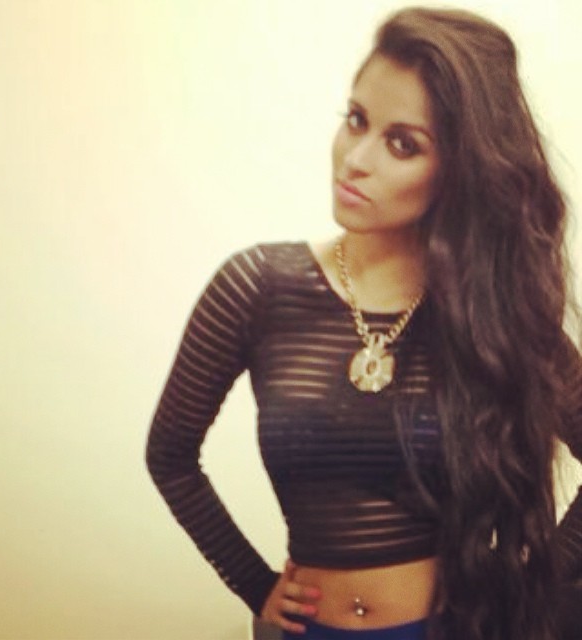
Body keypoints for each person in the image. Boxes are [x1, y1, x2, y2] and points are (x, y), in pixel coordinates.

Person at [146, 7, 582, 640]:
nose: (355, 159)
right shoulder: (256, 287)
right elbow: (170, 455)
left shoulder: (490, 311)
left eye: (402, 144)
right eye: (356, 120)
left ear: (460, 169)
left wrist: (533, 585)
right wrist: (253, 583)